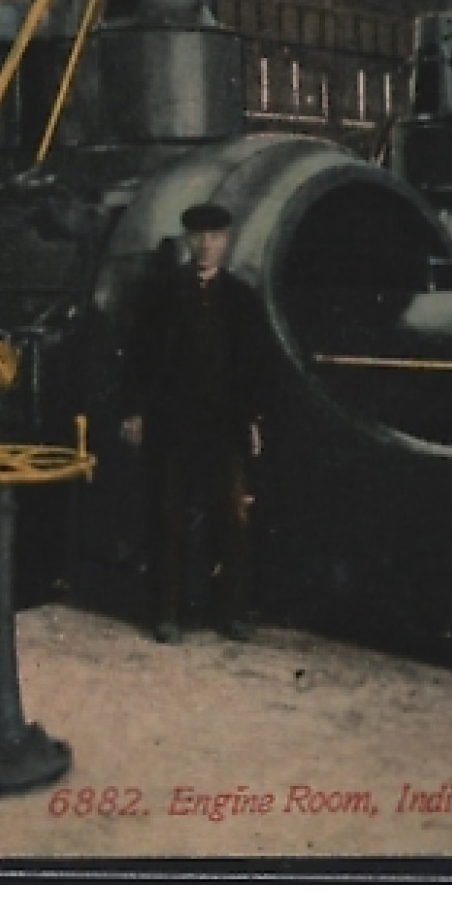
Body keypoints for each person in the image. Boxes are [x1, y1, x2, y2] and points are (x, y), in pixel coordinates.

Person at [120, 203, 272, 644]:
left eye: (216, 237)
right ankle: (167, 614)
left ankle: (233, 613)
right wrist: (135, 412)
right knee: (168, 517)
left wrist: (254, 422)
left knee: (234, 518)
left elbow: (252, 369)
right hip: (174, 425)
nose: (207, 246)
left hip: (224, 427)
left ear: (227, 241)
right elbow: (140, 357)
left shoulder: (242, 299)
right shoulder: (161, 293)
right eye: (199, 237)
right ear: (188, 241)